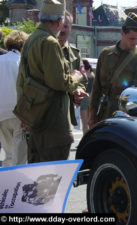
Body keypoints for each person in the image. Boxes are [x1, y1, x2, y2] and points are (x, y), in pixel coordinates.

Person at [16, 0, 88, 163]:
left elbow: (21, 81)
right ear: (59, 21)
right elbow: (58, 82)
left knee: (36, 178)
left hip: (37, 120)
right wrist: (75, 78)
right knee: (53, 180)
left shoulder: (30, 40)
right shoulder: (49, 42)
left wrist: (24, 115)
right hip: (53, 124)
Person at [89, 12, 137, 126]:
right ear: (122, 33)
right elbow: (96, 88)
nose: (135, 42)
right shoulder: (106, 54)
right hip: (108, 112)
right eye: (131, 38)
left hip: (135, 114)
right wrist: (92, 115)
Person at [0, 30, 29, 167]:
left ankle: (6, 184)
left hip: (1, 115)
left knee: (9, 154)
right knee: (21, 156)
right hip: (18, 114)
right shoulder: (20, 62)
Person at [58, 10, 88, 128]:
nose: (63, 30)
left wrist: (78, 91)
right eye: (61, 26)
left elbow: (82, 79)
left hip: (66, 112)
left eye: (66, 26)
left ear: (71, 28)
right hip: (47, 111)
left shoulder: (75, 53)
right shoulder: (45, 48)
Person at [80, 59, 95, 134]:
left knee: (84, 123)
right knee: (91, 122)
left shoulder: (83, 74)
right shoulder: (92, 74)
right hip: (92, 97)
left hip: (85, 97)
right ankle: (91, 139)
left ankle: (85, 141)